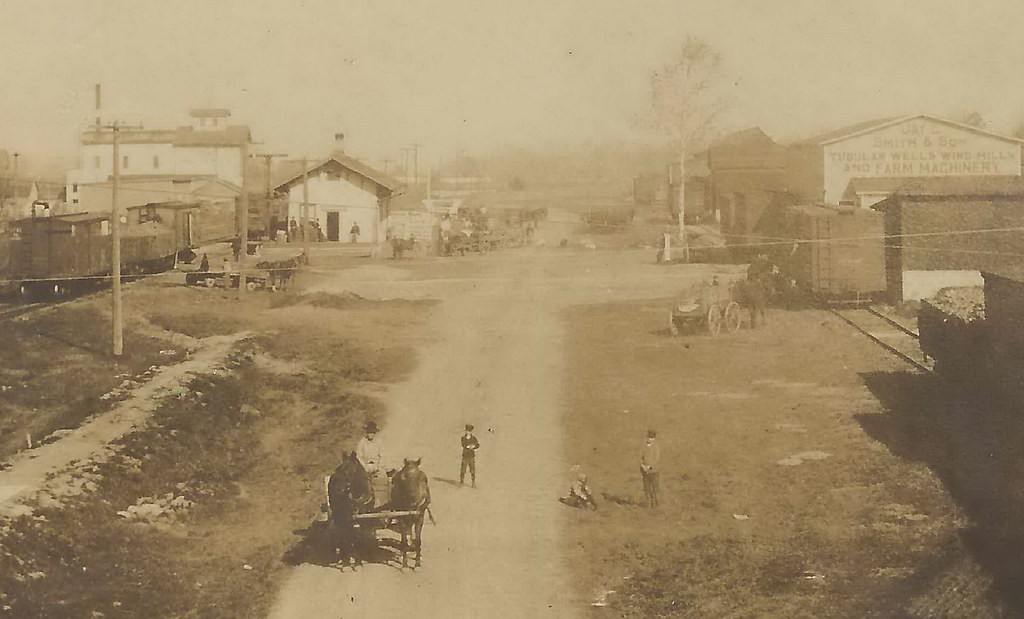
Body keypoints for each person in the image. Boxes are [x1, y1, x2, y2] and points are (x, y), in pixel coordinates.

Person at [640, 429, 660, 508]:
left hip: (654, 471)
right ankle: (648, 503)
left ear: (654, 439)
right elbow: (639, 457)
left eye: (652, 438)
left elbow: (656, 459)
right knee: (647, 488)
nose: (650, 439)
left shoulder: (656, 447)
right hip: (645, 471)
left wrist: (649, 466)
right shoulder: (643, 447)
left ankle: (655, 504)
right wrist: (642, 465)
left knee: (655, 488)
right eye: (649, 437)